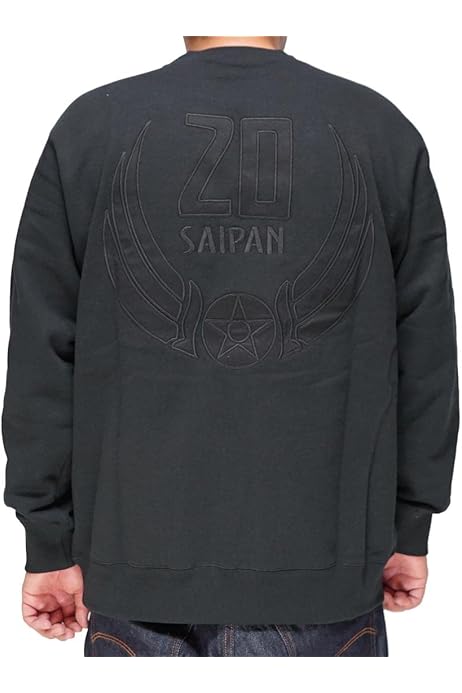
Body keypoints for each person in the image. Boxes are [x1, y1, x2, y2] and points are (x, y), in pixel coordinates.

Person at [2, 35, 458, 657]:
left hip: (136, 577)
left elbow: (41, 355)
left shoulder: (94, 126)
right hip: (328, 578)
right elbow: (427, 356)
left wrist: (48, 544)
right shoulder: (379, 129)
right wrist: (408, 530)